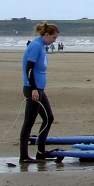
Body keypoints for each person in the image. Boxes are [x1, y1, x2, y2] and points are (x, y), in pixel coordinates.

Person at [19, 22, 60, 163]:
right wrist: (34, 89)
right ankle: (23, 156)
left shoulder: (41, 46)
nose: (55, 40)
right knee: (29, 122)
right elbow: (29, 69)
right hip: (33, 89)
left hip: (39, 89)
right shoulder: (36, 46)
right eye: (53, 37)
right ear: (46, 35)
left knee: (48, 118)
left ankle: (41, 152)